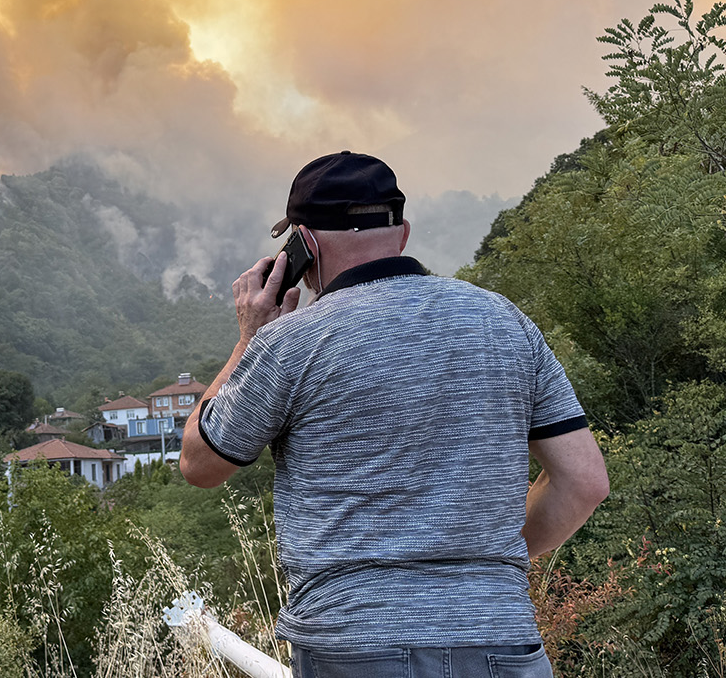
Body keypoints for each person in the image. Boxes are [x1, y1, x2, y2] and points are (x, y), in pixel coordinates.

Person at [179, 151, 609, 677]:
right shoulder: (505, 322)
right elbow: (584, 482)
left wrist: (249, 336)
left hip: (356, 644)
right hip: (503, 638)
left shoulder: (290, 343)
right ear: (402, 232)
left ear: (304, 246)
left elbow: (200, 464)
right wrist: (480, 570)